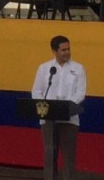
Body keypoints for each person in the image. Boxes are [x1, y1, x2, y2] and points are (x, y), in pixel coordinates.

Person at [31, 35, 87, 180]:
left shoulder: (78, 68)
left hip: (69, 119)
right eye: (63, 50)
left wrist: (66, 107)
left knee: (68, 156)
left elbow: (80, 92)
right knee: (49, 154)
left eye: (68, 49)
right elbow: (36, 91)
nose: (67, 52)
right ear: (54, 51)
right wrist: (45, 106)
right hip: (48, 119)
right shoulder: (44, 68)